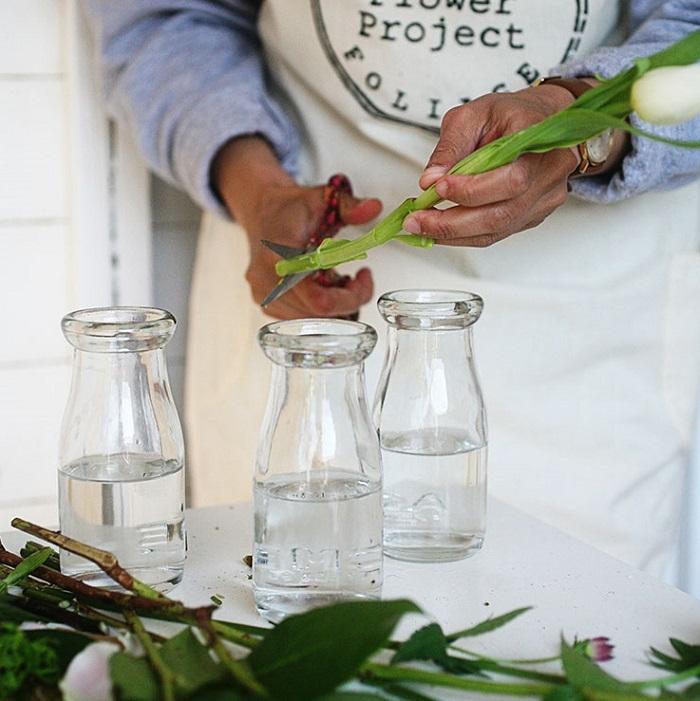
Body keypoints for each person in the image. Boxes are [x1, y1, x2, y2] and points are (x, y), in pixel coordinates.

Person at [83, 1, 700, 579]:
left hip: (584, 346)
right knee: (288, 613)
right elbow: (162, 18)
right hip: (299, 319)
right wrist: (257, 191)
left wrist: (579, 128)